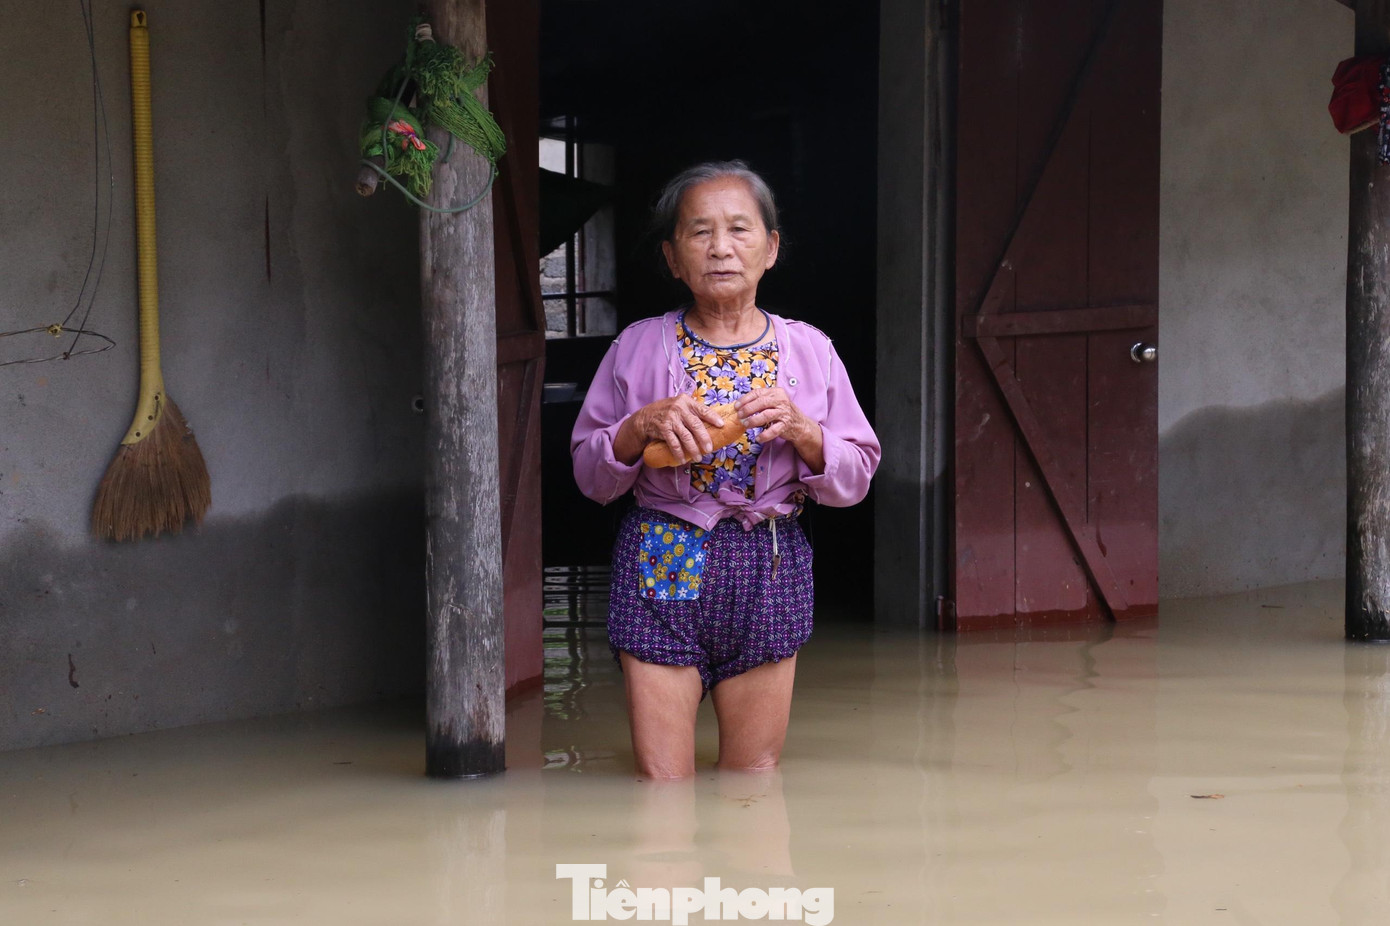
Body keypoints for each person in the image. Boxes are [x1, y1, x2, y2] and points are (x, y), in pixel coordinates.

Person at [570, 161, 880, 779]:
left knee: (753, 777)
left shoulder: (811, 351)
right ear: (672, 257)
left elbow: (856, 478)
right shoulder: (635, 346)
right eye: (698, 232)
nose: (720, 248)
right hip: (666, 546)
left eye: (739, 230)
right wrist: (637, 428)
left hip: (766, 557)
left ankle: (745, 878)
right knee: (662, 784)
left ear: (770, 249)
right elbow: (589, 475)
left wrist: (804, 431)